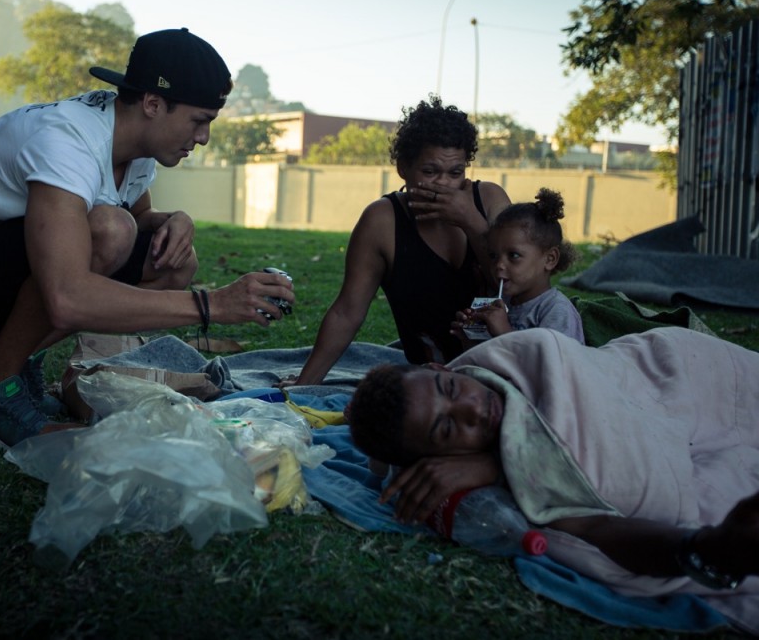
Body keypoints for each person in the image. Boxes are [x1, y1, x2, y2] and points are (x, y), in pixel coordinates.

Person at [0, 28, 294, 450]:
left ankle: (10, 353)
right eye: (199, 121)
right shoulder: (69, 141)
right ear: (153, 104)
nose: (203, 138)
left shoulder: (135, 149)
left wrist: (173, 220)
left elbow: (139, 218)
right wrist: (211, 304)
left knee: (174, 261)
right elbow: (67, 297)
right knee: (109, 231)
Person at [347, 327, 759, 633]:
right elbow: (596, 527)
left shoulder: (516, 359)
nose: (472, 407)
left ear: (442, 367)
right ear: (430, 461)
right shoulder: (511, 492)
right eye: (448, 429)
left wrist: (496, 459)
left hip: (676, 372)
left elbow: (560, 357)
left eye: (452, 387)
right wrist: (708, 549)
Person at [282, 95, 510, 387]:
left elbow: (518, 286)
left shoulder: (489, 201)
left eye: (455, 173)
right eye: (430, 172)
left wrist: (470, 220)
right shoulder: (383, 221)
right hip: (432, 376)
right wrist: (305, 383)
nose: (444, 184)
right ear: (403, 168)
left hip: (506, 364)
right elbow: (347, 311)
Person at [450, 187, 584, 346]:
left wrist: (505, 332)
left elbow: (556, 364)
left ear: (550, 259)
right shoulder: (500, 302)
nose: (499, 265)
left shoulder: (556, 311)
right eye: (493, 256)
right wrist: (472, 338)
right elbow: (494, 355)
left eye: (513, 255)